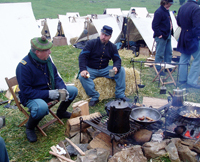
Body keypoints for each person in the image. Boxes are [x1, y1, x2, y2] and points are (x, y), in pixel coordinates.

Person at [16, 35, 78, 142]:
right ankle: (30, 127)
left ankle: (61, 112)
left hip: (49, 91)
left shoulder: (46, 60)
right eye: (47, 50)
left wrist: (62, 89)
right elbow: (27, 92)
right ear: (37, 52)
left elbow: (56, 77)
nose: (50, 52)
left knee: (73, 91)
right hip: (32, 97)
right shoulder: (23, 67)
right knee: (41, 107)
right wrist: (49, 94)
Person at [78, 25, 131, 107]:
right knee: (83, 77)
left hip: (105, 71)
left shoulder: (112, 47)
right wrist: (83, 69)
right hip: (91, 70)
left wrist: (116, 67)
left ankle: (120, 94)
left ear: (110, 36)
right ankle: (94, 96)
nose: (103, 37)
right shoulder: (91, 43)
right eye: (102, 34)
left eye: (106, 35)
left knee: (121, 71)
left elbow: (117, 59)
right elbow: (82, 57)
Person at [176, 0, 200, 88]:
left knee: (184, 58)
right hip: (192, 37)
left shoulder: (182, 7)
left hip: (183, 35)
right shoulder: (196, 8)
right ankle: (192, 82)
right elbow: (197, 25)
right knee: (198, 59)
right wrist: (198, 36)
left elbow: (178, 22)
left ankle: (182, 80)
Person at [152, 0, 174, 76]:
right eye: (169, 3)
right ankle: (158, 69)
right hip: (161, 36)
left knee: (169, 52)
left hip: (167, 35)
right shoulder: (159, 12)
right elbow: (154, 25)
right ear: (166, 2)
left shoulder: (166, 11)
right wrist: (159, 34)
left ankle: (167, 67)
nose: (170, 5)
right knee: (160, 53)